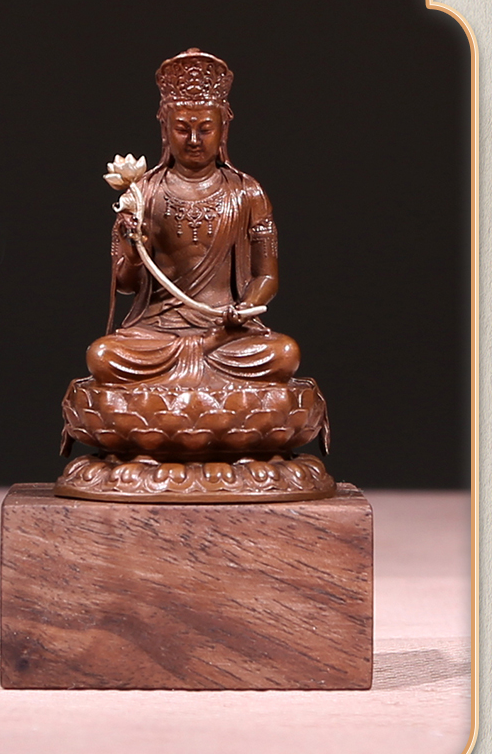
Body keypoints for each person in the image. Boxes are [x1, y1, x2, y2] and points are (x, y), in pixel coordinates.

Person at [60, 47, 330, 477]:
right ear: (165, 129)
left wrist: (244, 309)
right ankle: (214, 418)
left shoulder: (248, 193)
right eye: (182, 128)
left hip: (227, 336)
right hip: (158, 334)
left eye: (205, 128)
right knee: (104, 356)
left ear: (223, 129)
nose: (193, 140)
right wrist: (131, 242)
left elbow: (266, 276)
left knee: (282, 354)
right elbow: (127, 283)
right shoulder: (142, 194)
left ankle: (175, 416)